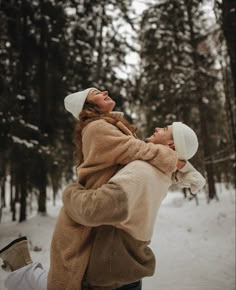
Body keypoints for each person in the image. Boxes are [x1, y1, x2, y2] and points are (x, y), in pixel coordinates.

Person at [0, 88, 204, 290]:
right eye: (96, 92)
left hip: (112, 263)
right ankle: (21, 266)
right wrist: (180, 166)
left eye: (165, 129)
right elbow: (135, 149)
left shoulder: (144, 168)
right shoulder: (102, 130)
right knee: (63, 281)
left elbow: (103, 203)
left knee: (63, 281)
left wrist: (70, 192)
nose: (158, 128)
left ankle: (21, 267)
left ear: (170, 145)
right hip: (118, 263)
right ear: (87, 104)